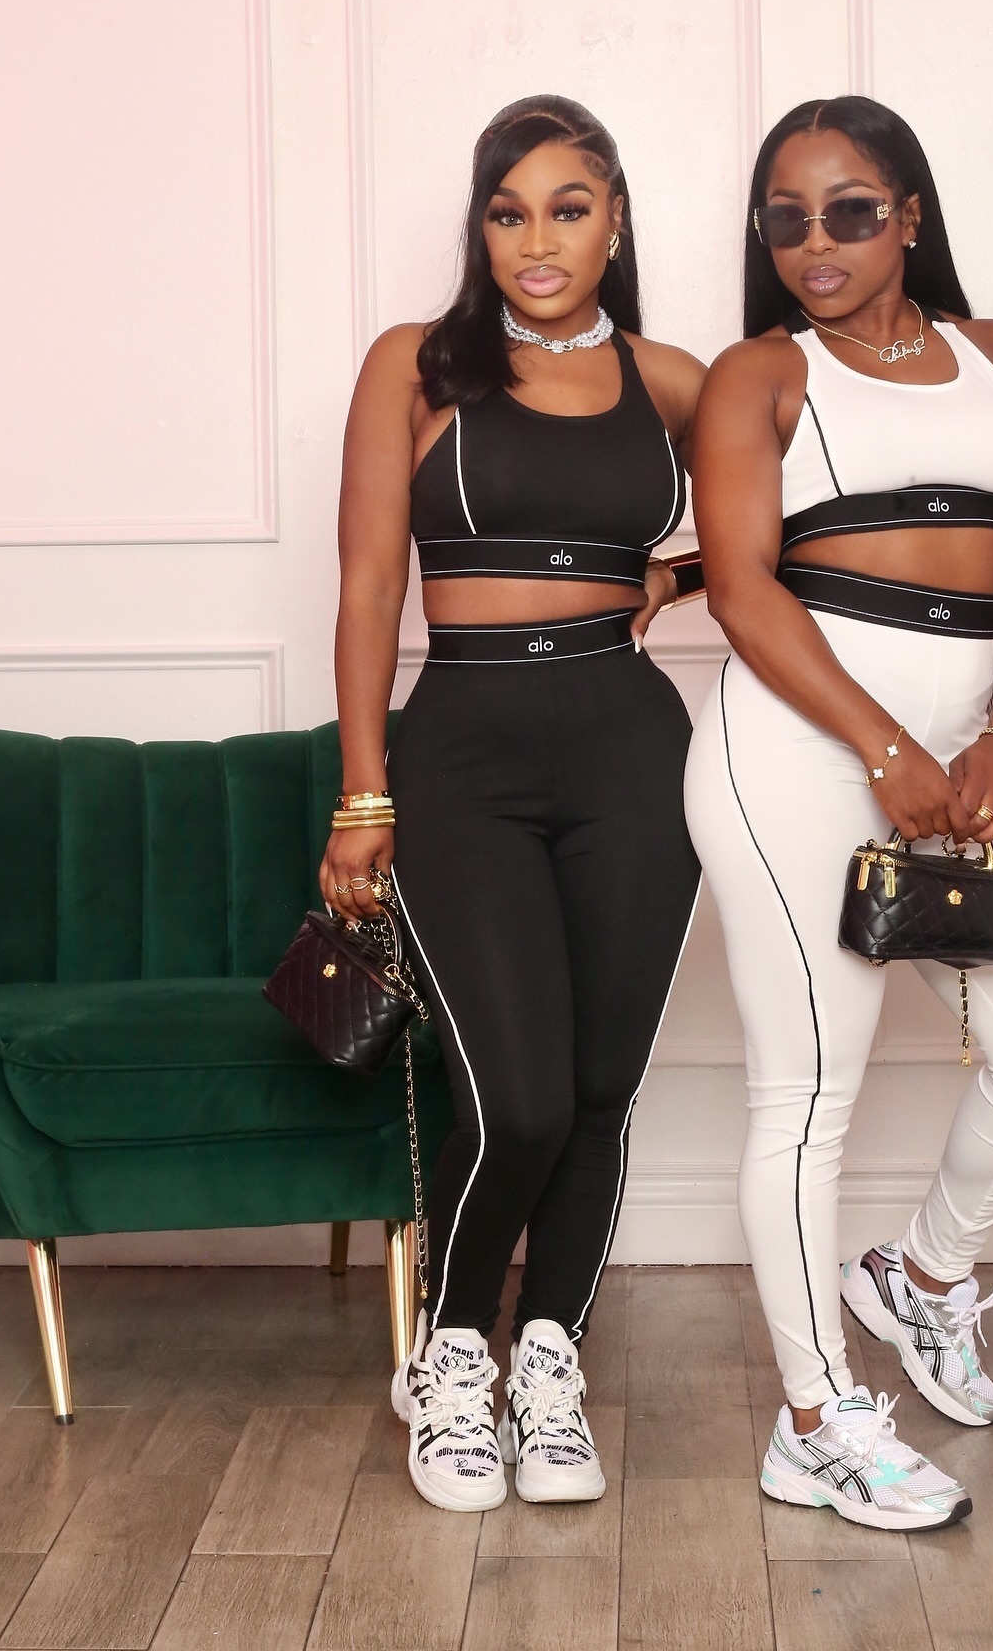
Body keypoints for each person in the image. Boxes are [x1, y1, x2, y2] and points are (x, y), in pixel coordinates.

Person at [684, 96, 993, 1531]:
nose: (817, 242)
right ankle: (815, 1422)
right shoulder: (761, 375)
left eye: (852, 210)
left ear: (911, 215)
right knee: (808, 1097)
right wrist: (881, 748)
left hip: (959, 769)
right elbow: (741, 588)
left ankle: (922, 1278)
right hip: (796, 760)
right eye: (787, 219)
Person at [324, 95, 704, 1513]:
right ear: (480, 230)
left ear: (616, 223)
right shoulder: (418, 366)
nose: (537, 240)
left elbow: (787, 523)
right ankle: (452, 1354)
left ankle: (550, 1362)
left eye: (568, 208)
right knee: (520, 1098)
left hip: (630, 754)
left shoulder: (673, 381)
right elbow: (371, 585)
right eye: (508, 211)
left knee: (600, 1090)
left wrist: (676, 576)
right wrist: (363, 793)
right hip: (464, 757)